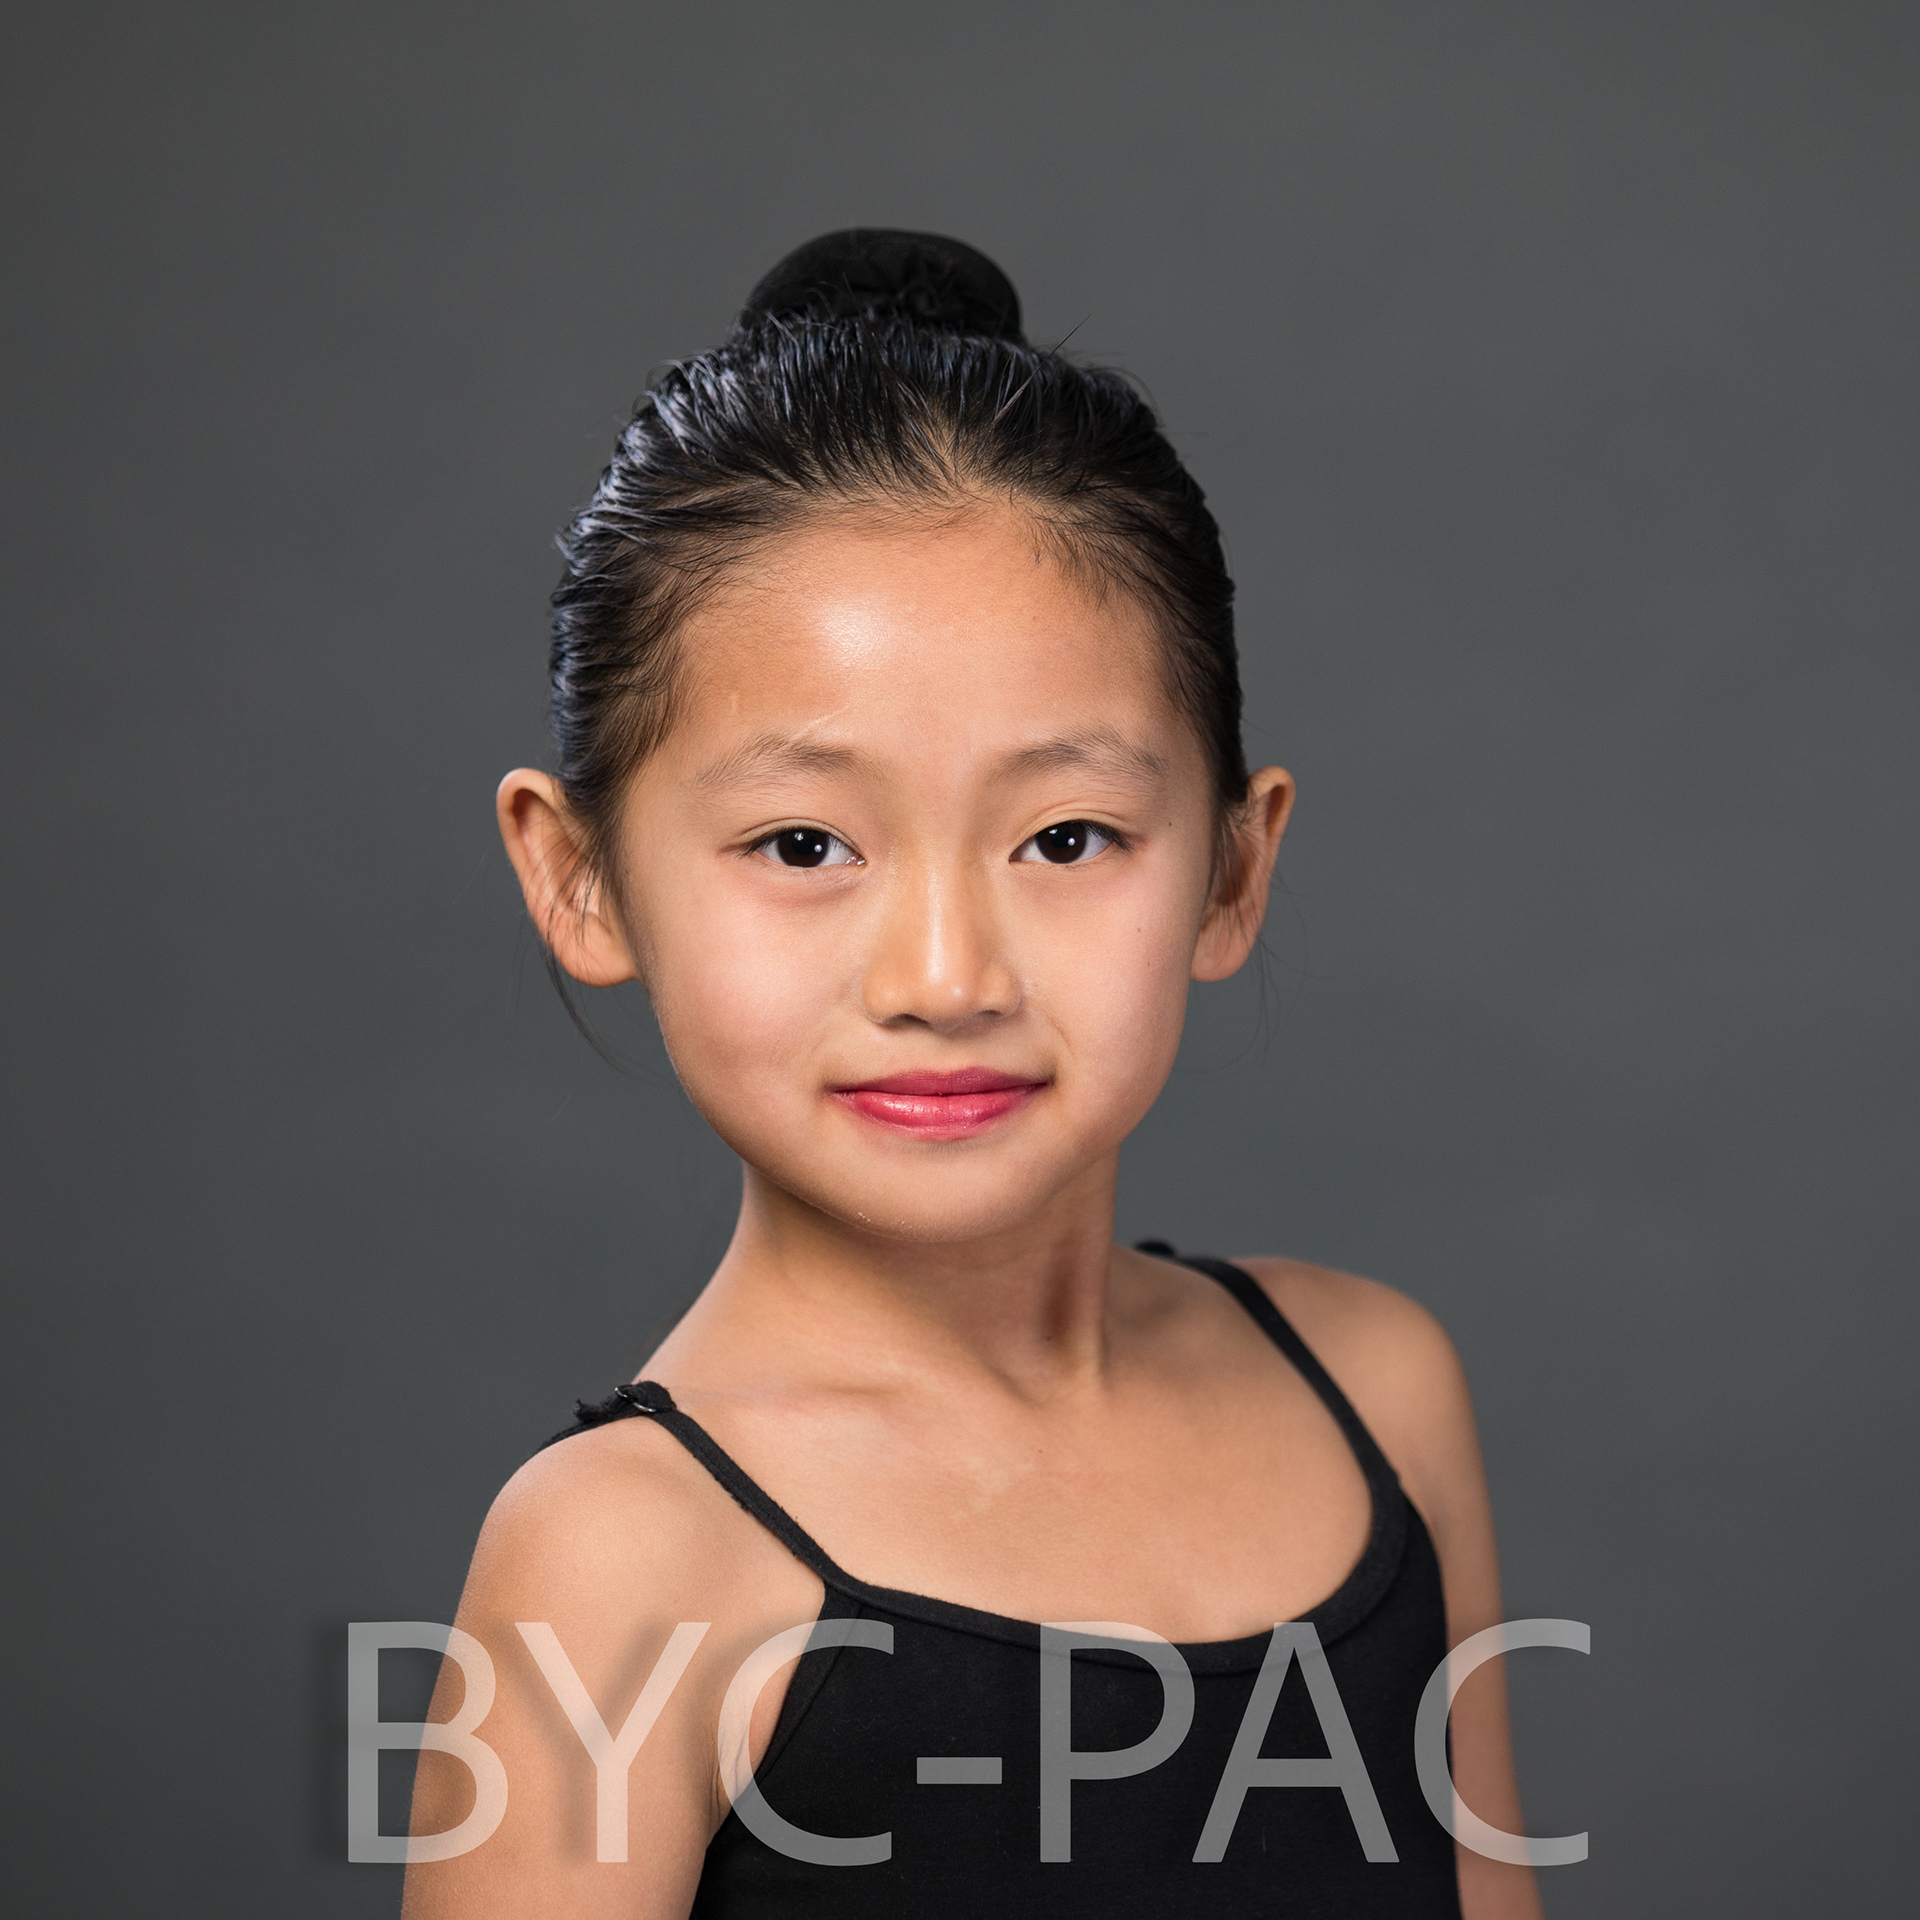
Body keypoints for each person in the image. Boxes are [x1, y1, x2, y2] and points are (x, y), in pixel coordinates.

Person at [403, 230, 1543, 1919]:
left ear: (1234, 869)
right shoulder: (624, 1564)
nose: (945, 979)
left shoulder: (1376, 1392)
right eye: (805, 843)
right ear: (581, 880)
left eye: (1066, 838)